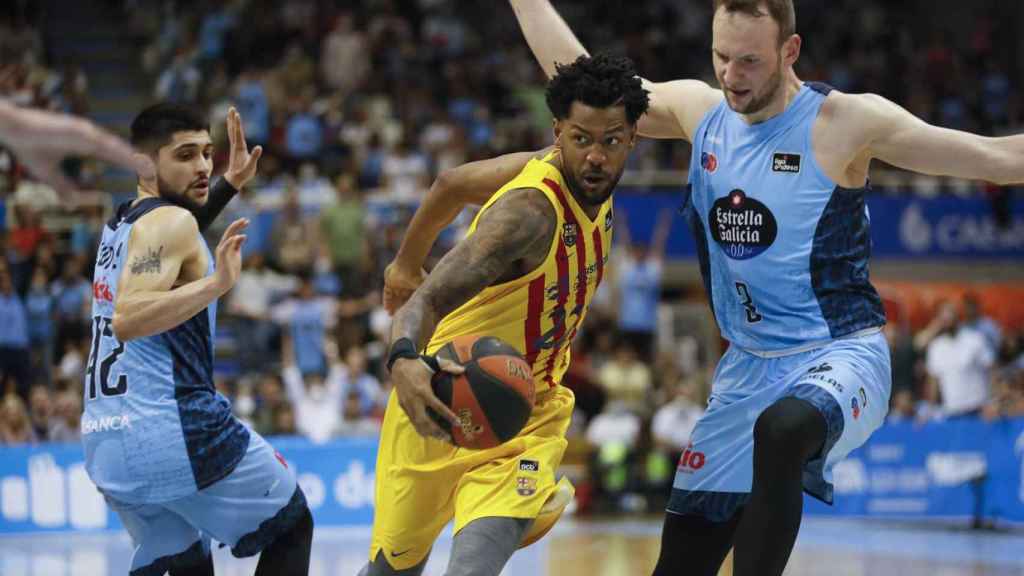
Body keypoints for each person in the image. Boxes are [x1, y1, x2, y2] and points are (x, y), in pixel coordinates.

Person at [508, 1, 1024, 574]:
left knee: (780, 431)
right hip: (747, 369)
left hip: (841, 353)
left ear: (790, 51)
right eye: (721, 57)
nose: (731, 76)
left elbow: (994, 157)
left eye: (749, 61)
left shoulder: (846, 123)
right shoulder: (699, 111)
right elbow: (580, 80)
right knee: (679, 562)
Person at [370, 54, 649, 576]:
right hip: (441, 394)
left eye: (611, 140)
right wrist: (403, 357)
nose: (595, 157)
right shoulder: (526, 214)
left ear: (633, 138)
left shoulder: (592, 186)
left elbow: (451, 182)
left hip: (527, 410)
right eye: (581, 139)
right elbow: (424, 302)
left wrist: (404, 263)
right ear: (559, 133)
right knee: (391, 572)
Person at [82, 103, 312, 576]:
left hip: (105, 441)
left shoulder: (122, 223)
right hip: (175, 431)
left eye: (208, 153)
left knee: (181, 560)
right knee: (291, 523)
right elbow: (128, 317)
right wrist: (215, 285)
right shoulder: (172, 224)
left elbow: (176, 236)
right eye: (186, 155)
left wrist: (231, 184)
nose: (205, 166)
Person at [0, 100, 153, 193]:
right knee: (94, 140)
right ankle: (143, 166)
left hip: (30, 141)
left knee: (95, 141)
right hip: (33, 141)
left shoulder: (13, 132)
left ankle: (143, 166)